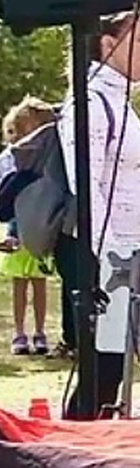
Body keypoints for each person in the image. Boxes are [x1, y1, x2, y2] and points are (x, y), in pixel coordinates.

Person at [56, 10, 140, 413]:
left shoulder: (118, 98)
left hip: (126, 252)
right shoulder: (91, 101)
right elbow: (87, 188)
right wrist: (111, 255)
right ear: (107, 45)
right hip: (96, 254)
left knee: (113, 369)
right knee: (101, 369)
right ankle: (72, 455)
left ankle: (92, 446)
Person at [1, 98, 58, 355]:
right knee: (19, 285)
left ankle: (40, 332)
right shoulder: (11, 163)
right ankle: (20, 333)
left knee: (39, 283)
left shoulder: (45, 163)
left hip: (39, 232)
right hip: (17, 234)